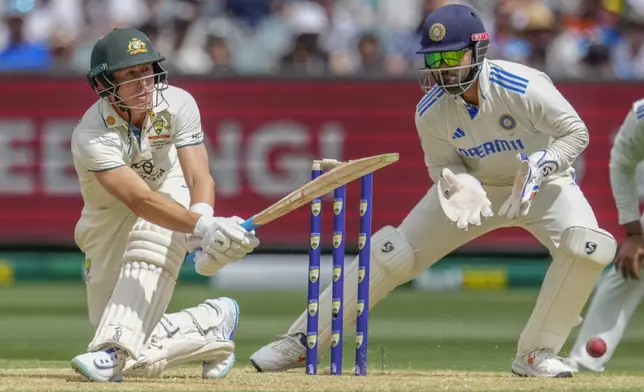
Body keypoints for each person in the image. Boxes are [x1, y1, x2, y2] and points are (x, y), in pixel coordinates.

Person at [248, 4, 617, 378]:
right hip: (477, 189)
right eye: (434, 58)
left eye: (452, 56)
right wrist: (461, 184)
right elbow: (439, 164)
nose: (442, 67)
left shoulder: (522, 87)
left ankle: (536, 353)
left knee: (589, 245)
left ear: (478, 50)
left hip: (543, 184)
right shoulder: (430, 110)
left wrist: (542, 165)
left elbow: (576, 132)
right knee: (392, 252)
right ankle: (302, 340)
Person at [69, 27, 260, 382]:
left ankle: (114, 353)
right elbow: (138, 199)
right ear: (105, 84)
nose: (143, 83)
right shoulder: (90, 134)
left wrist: (204, 219)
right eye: (130, 75)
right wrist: (203, 229)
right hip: (108, 214)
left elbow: (199, 176)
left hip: (169, 187)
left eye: (147, 71)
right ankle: (212, 323)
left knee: (155, 230)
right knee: (128, 336)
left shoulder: (178, 102)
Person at [564, 98, 644, 373]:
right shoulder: (642, 116)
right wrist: (634, 233)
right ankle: (586, 360)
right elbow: (622, 162)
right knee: (630, 268)